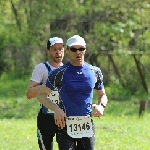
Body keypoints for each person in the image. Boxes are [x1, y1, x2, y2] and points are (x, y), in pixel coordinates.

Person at [37, 35, 108, 150]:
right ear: (68, 50)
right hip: (65, 125)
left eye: (81, 49)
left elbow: (102, 95)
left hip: (86, 125)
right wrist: (57, 109)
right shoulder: (59, 73)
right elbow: (41, 95)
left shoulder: (95, 71)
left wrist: (101, 107)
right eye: (74, 49)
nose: (78, 52)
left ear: (85, 49)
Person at [26, 37, 64, 150]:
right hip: (46, 117)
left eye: (60, 49)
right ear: (47, 51)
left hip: (63, 116)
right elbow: (29, 93)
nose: (58, 52)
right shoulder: (42, 68)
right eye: (54, 49)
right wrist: (48, 86)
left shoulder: (67, 69)